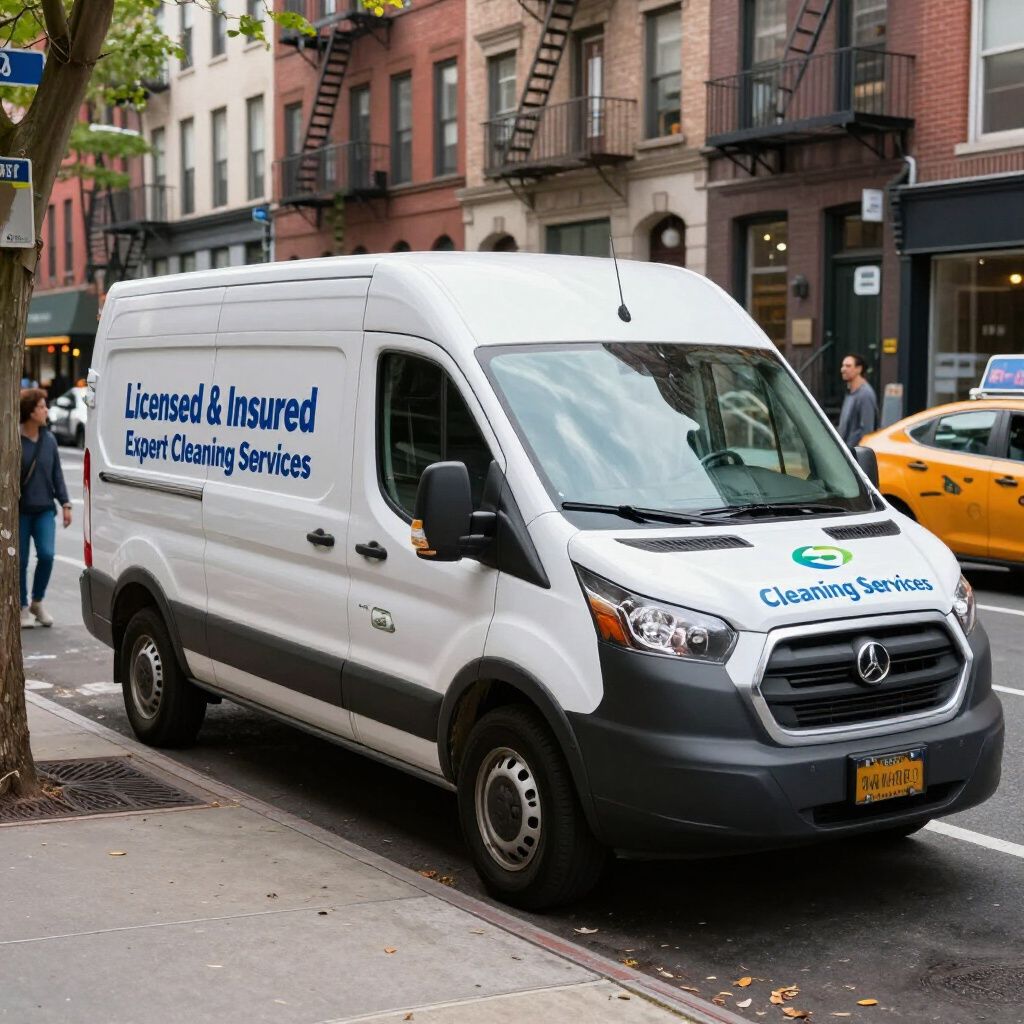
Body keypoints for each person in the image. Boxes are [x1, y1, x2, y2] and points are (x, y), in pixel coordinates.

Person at [19, 388, 72, 628]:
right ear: (30, 412)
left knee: (47, 555)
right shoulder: (14, 440)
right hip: (20, 511)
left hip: (44, 510)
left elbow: (57, 474)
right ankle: (22, 606)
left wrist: (65, 503)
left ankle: (37, 602)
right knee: (20, 561)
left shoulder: (49, 440)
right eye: (42, 407)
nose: (46, 410)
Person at [837, 353, 878, 448]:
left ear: (859, 369)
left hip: (854, 452)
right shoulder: (850, 392)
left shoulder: (865, 394)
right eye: (843, 366)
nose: (843, 369)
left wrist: (849, 448)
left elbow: (867, 429)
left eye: (848, 366)